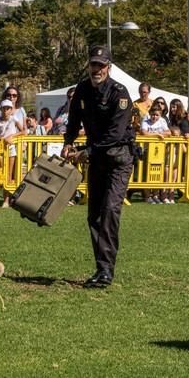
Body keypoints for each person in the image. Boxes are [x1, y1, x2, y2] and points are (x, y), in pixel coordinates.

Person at [61, 45, 135, 288]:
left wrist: (86, 152)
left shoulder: (119, 93)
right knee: (94, 215)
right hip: (97, 160)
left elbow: (114, 135)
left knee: (110, 211)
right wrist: (68, 142)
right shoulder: (82, 89)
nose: (97, 69)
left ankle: (106, 271)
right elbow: (73, 120)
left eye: (101, 66)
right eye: (93, 64)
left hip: (118, 158)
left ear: (109, 68)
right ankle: (101, 267)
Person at [0, 99, 25, 208]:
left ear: (11, 110)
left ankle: (6, 200)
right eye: (4, 108)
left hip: (11, 149)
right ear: (1, 109)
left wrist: (12, 137)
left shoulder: (14, 119)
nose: (6, 111)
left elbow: (24, 131)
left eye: (8, 108)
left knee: (8, 174)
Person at [139, 105, 171, 204]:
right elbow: (144, 133)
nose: (154, 117)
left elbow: (168, 132)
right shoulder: (145, 122)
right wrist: (157, 135)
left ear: (160, 115)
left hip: (159, 151)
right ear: (150, 114)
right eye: (153, 115)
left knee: (158, 173)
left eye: (157, 115)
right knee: (147, 173)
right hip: (147, 150)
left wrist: (158, 134)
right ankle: (147, 195)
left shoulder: (162, 121)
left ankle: (156, 195)